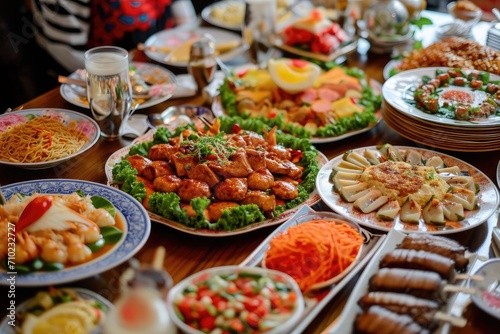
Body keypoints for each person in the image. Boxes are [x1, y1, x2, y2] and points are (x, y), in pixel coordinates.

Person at [30, 0, 196, 72]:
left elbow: (186, 21)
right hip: (93, 79)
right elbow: (70, 55)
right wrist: (136, 74)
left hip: (167, 66)